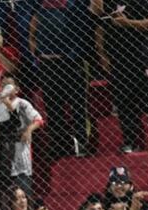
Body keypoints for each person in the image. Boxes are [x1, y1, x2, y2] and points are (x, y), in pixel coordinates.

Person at [91, 0, 148, 154]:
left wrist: (128, 23)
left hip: (142, 59)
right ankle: (131, 141)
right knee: (123, 102)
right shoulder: (107, 4)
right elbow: (100, 27)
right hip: (118, 61)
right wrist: (102, 54)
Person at [28, 0, 94, 157]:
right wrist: (37, 54)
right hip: (48, 64)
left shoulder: (74, 5)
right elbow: (32, 33)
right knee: (53, 106)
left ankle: (81, 143)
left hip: (70, 62)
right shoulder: (41, 8)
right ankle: (59, 146)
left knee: (78, 105)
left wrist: (72, 55)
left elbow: (82, 32)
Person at [0, 74, 43, 196]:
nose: (5, 88)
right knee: (5, 193)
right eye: (2, 85)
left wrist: (28, 130)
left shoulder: (23, 104)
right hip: (3, 153)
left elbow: (39, 120)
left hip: (20, 152)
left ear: (16, 89)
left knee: (23, 191)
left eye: (8, 85)